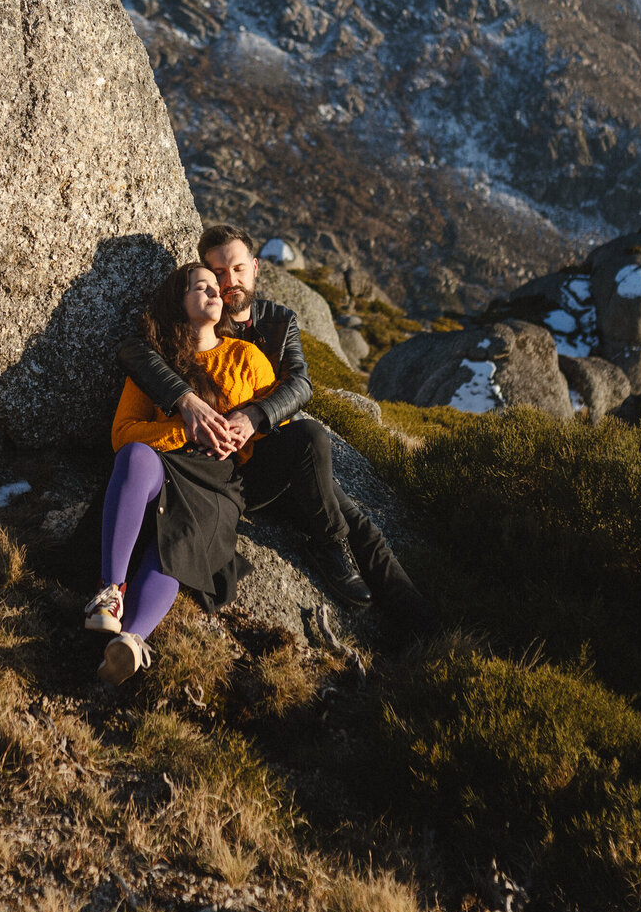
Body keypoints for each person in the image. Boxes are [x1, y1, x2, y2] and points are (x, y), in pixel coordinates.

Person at [118, 225, 436, 633]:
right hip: (215, 470)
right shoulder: (195, 322)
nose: (229, 282)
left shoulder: (279, 321)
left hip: (266, 452)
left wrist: (254, 416)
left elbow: (300, 384)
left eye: (237, 269)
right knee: (334, 502)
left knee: (352, 517)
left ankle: (420, 626)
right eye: (218, 273)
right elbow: (133, 350)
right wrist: (184, 398)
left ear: (254, 268)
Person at [86, 261, 275, 686]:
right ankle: (110, 592)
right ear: (179, 302)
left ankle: (131, 642)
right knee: (135, 456)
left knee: (182, 539)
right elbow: (123, 434)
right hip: (165, 458)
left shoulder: (247, 358)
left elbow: (271, 427)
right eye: (200, 287)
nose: (213, 293)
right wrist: (182, 424)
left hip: (217, 477)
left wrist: (241, 431)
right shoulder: (157, 364)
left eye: (216, 288)